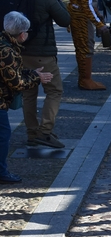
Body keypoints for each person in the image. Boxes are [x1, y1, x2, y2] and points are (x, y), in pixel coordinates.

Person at [0, 11, 53, 183]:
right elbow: (16, 82)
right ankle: (1, 172)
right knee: (3, 135)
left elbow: (10, 73)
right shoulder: (7, 51)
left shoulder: (4, 43)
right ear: (22, 34)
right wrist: (37, 77)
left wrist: (31, 73)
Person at [20, 0, 71, 149]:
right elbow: (65, 19)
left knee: (28, 94)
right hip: (43, 53)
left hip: (22, 51)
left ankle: (32, 133)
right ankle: (45, 131)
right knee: (54, 91)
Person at [67, 0, 110, 90]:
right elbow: (86, 5)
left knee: (82, 47)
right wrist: (99, 24)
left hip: (78, 13)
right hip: (81, 17)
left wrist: (96, 13)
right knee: (85, 47)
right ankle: (85, 80)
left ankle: (84, 79)